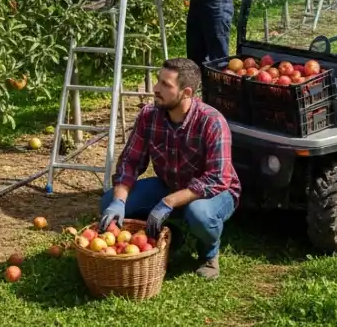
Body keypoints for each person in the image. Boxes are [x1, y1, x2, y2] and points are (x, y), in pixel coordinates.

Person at [99, 58, 240, 280]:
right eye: (158, 81)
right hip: (170, 184)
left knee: (199, 215)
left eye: (166, 85)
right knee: (108, 202)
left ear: (186, 92)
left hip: (215, 193)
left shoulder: (212, 122)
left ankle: (209, 252)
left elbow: (216, 179)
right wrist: (119, 201)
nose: (156, 89)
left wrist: (168, 202)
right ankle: (172, 235)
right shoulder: (149, 116)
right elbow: (131, 162)